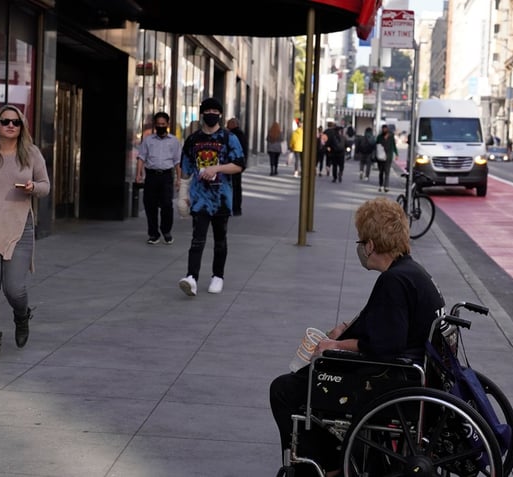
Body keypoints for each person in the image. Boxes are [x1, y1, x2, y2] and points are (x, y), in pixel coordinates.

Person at [269, 197, 446, 477]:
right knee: (309, 379)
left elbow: (383, 345)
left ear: (371, 245)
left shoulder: (394, 281)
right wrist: (346, 327)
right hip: (413, 373)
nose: (360, 248)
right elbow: (386, 319)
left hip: (393, 380)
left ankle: (322, 466)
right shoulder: (410, 272)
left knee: (286, 389)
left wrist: (335, 345)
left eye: (361, 242)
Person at [0, 105, 50, 362]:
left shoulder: (31, 154)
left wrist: (33, 187)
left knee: (14, 289)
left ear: (22, 127)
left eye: (16, 122)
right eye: (5, 121)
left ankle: (22, 314)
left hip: (19, 226)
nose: (11, 125)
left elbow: (46, 186)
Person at [177, 97, 245, 296]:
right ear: (202, 113)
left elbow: (239, 165)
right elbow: (186, 170)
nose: (212, 114)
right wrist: (183, 195)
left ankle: (218, 276)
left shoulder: (228, 138)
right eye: (209, 111)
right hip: (199, 198)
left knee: (220, 239)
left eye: (216, 111)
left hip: (222, 197)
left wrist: (216, 167)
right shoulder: (193, 139)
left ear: (220, 114)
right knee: (197, 239)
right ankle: (191, 278)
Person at [136, 112, 182, 244]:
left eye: (163, 124)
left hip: (166, 176)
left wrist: (179, 179)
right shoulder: (148, 140)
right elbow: (141, 157)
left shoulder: (174, 141)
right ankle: (153, 234)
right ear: (155, 125)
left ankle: (166, 231)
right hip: (151, 176)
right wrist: (138, 174)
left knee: (167, 205)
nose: (160, 126)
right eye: (158, 124)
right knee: (150, 205)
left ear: (167, 124)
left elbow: (177, 161)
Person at [226, 117, 249, 216]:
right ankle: (236, 208)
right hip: (238, 164)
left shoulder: (232, 135)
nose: (227, 126)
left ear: (233, 125)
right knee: (237, 186)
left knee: (232, 186)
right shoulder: (241, 135)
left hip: (232, 164)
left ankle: (232, 207)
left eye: (228, 124)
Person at [377, 124, 398, 192]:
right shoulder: (379, 137)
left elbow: (394, 146)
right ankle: (381, 185)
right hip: (380, 157)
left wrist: (396, 154)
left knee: (387, 172)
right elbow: (376, 145)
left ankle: (386, 186)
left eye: (385, 129)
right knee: (381, 172)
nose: (384, 130)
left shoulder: (391, 137)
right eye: (383, 129)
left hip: (388, 157)